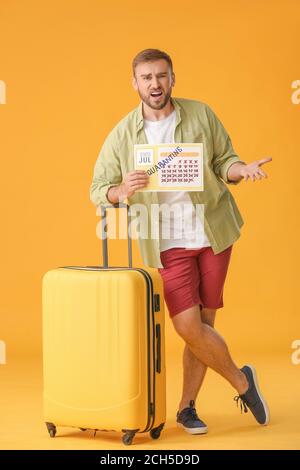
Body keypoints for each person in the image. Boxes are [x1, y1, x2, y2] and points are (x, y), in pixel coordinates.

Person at [90, 48, 272, 435]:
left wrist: (241, 169)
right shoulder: (123, 134)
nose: (154, 84)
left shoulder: (201, 114)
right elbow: (97, 189)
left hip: (213, 233)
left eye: (161, 76)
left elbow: (225, 161)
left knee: (205, 323)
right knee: (188, 326)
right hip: (166, 238)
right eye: (146, 77)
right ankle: (243, 382)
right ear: (135, 83)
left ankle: (187, 408)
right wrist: (121, 189)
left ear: (172, 79)